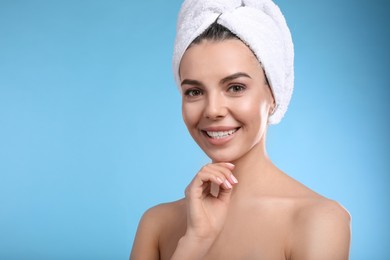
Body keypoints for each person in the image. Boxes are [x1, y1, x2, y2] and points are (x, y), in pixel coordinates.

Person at [130, 0, 351, 259]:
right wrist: (195, 242)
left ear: (273, 95)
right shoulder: (156, 223)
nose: (212, 110)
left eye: (235, 87)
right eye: (194, 91)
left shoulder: (318, 220)